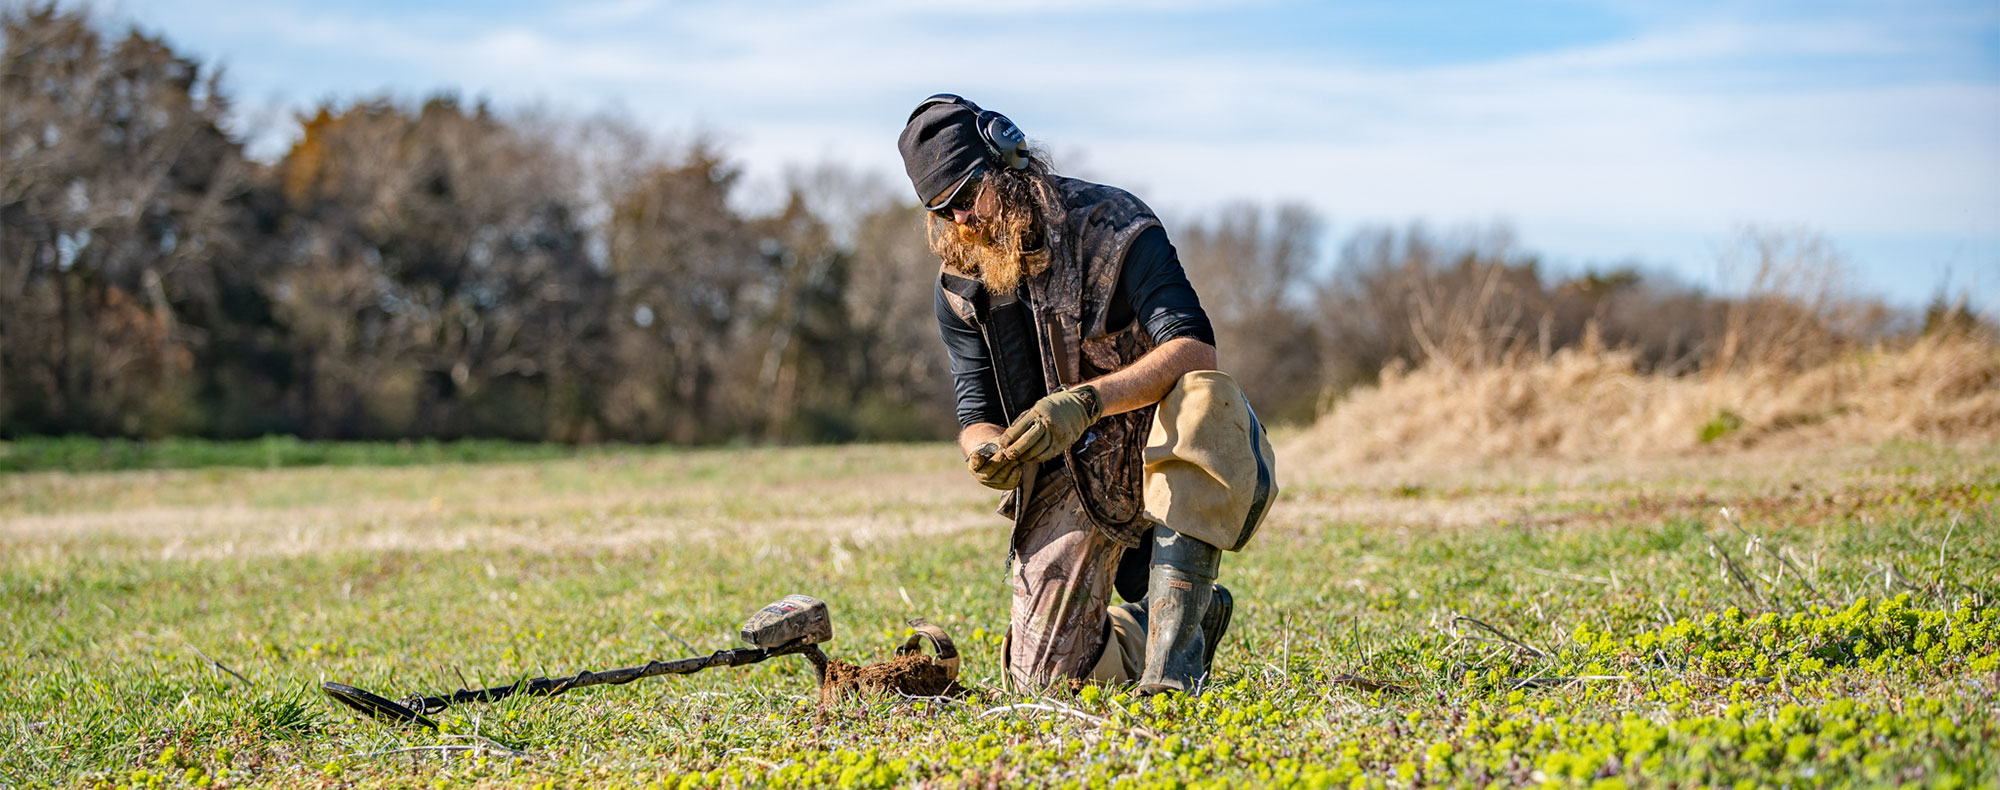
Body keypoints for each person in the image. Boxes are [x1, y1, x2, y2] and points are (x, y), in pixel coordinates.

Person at [897, 94, 1236, 694]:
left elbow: (1194, 349)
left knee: (1206, 396)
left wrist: (1087, 403)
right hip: (1068, 480)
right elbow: (974, 408)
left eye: (967, 197)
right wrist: (985, 450)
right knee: (1040, 686)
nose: (962, 223)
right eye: (942, 210)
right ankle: (1143, 624)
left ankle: (1176, 645)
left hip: (1155, 444)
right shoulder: (958, 288)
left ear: (1007, 160)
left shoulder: (1118, 225)